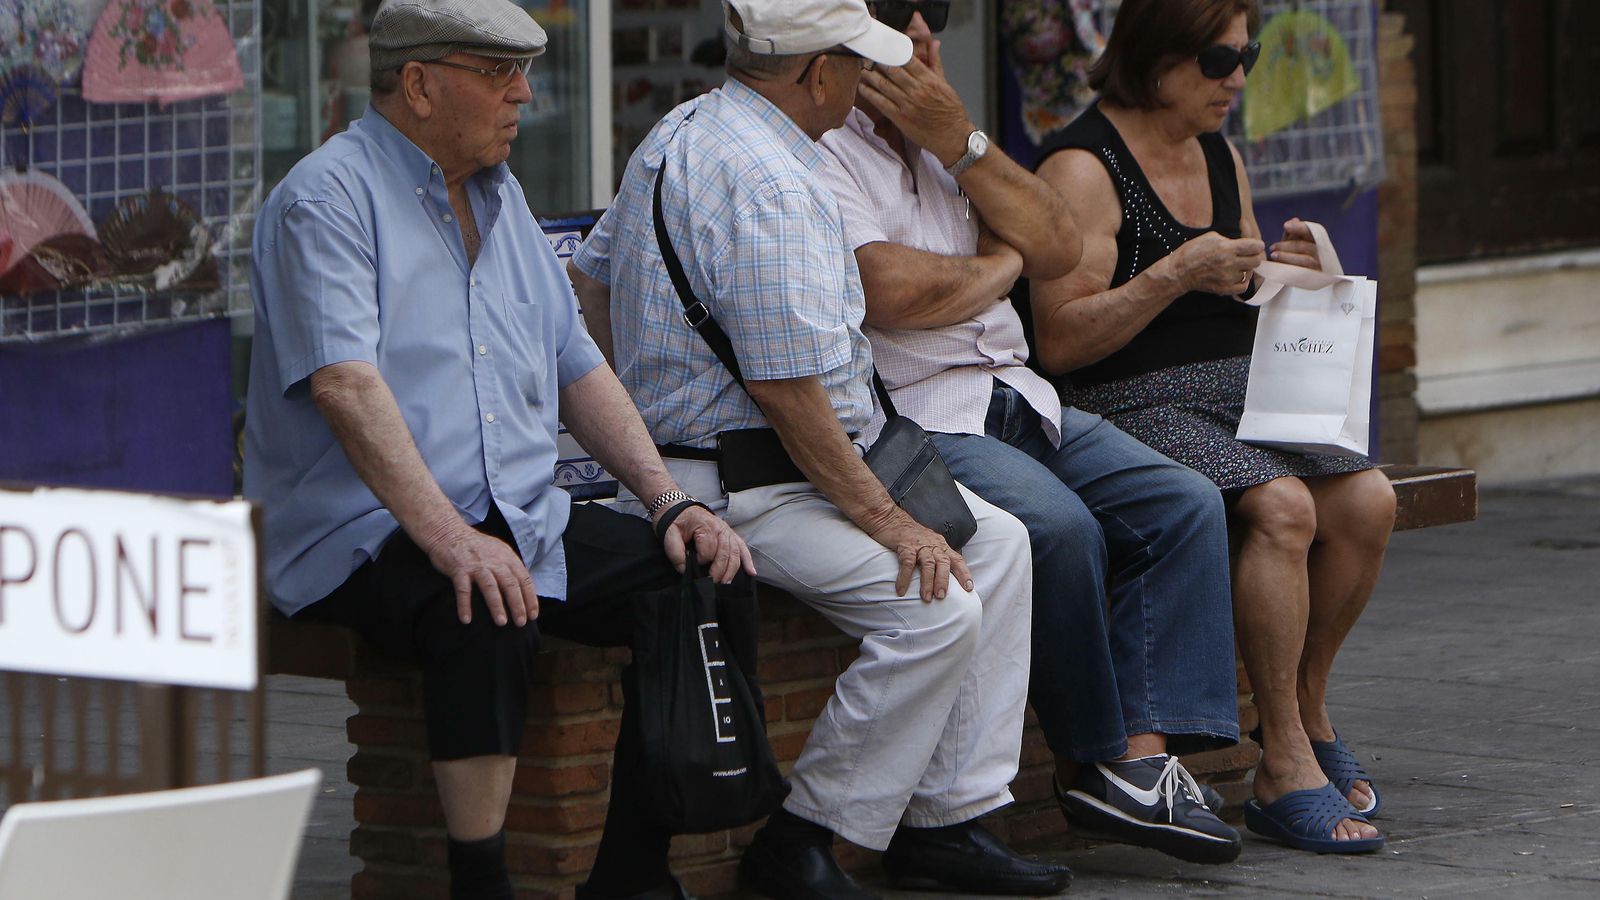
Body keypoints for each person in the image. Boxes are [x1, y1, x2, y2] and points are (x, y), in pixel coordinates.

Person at [243, 2, 758, 898]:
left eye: (522, 71)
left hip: (516, 513)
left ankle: (633, 875)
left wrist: (667, 499)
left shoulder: (501, 195)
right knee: (481, 606)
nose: (524, 93)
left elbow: (577, 365)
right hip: (365, 528)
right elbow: (345, 386)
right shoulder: (324, 199)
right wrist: (450, 537)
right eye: (497, 73)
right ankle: (479, 883)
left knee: (702, 574)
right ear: (419, 85)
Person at [568, 2, 1072, 897]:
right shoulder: (771, 181)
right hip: (744, 484)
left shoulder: (681, 128)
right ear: (817, 73)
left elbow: (591, 284)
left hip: (761, 467)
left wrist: (644, 406)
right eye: (857, 63)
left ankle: (951, 817)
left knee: (999, 544)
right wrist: (887, 521)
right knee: (934, 608)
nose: (869, 80)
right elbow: (787, 394)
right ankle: (803, 839)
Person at [815, 0, 1242, 865]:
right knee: (1057, 529)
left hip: (1021, 394)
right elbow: (891, 292)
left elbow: (1055, 241)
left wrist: (964, 143)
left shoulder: (951, 141)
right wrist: (1002, 261)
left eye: (932, 22)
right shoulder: (820, 150)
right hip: (917, 410)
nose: (925, 42)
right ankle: (1094, 760)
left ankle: (1145, 764)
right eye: (903, 25)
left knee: (1185, 502)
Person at [1028, 0, 1395, 855]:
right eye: (1219, 59)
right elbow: (1060, 340)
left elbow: (1240, 290)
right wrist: (1171, 274)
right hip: (1128, 402)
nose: (1237, 78)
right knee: (1285, 508)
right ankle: (1284, 761)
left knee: (1369, 500)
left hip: (1239, 391)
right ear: (1158, 58)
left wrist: (1288, 274)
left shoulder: (1218, 151)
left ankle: (1303, 710)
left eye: (1248, 55)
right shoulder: (1082, 167)